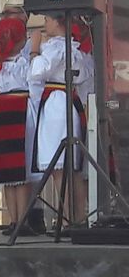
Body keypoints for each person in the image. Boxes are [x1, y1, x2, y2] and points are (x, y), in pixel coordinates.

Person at [29, 12, 89, 226]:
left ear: (57, 22)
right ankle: (77, 217)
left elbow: (36, 72)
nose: (44, 24)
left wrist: (34, 49)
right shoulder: (74, 49)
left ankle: (67, 219)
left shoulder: (56, 47)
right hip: (68, 102)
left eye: (47, 20)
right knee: (71, 167)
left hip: (56, 105)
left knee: (59, 166)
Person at [0, 18, 37, 236]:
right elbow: (34, 87)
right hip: (20, 109)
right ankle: (22, 221)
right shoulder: (25, 63)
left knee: (8, 172)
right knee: (21, 170)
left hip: (0, 112)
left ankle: (14, 220)